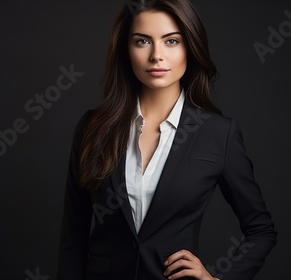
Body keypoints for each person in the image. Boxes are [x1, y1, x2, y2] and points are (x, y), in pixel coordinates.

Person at [57, 0, 277, 279]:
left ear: (190, 48)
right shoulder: (93, 127)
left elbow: (261, 230)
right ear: (126, 51)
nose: (156, 55)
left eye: (171, 41)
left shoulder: (219, 134)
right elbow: (72, 239)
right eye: (142, 41)